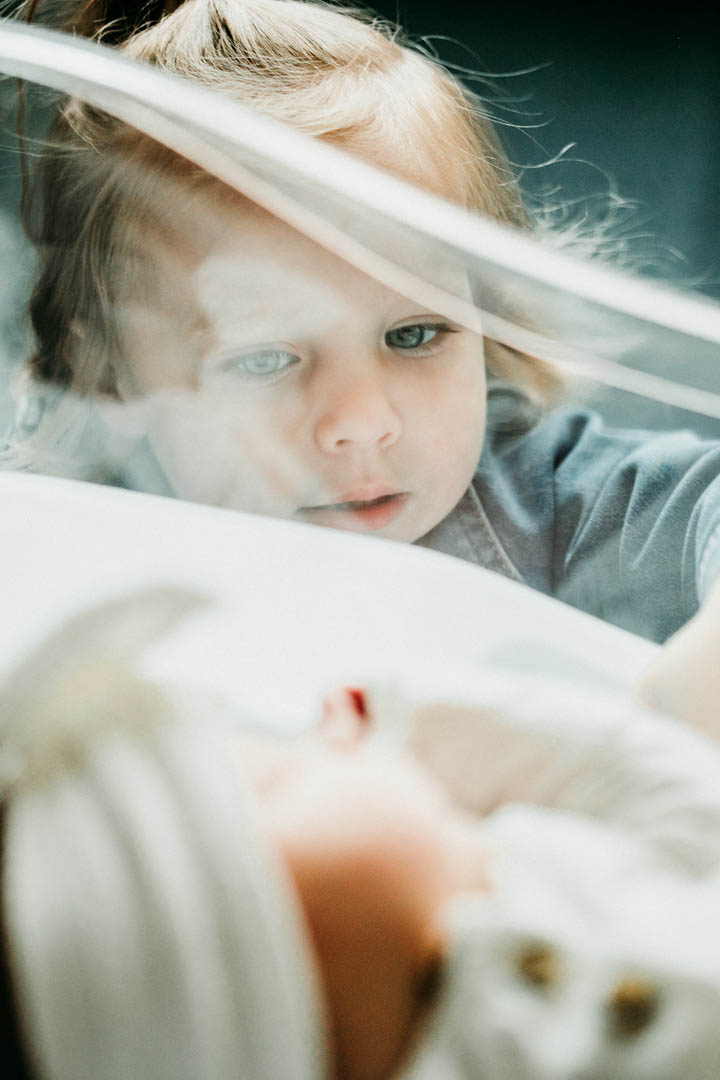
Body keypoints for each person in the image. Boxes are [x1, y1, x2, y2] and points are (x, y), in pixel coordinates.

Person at [7, 0, 720, 643]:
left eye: (414, 334)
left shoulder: (558, 505)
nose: (362, 421)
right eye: (263, 359)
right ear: (112, 376)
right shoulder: (73, 536)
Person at [5, 587, 720, 1080]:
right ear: (252, 956)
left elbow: (664, 787)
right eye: (280, 771)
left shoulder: (525, 863)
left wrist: (419, 712)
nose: (333, 741)